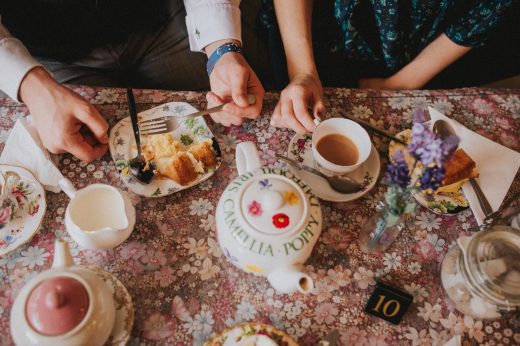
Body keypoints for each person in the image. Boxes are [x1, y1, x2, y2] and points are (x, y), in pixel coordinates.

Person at [0, 0, 265, 162]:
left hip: (162, 18)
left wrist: (221, 50)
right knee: (85, 151)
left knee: (230, 113)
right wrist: (33, 87)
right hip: (49, 56)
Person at [269, 0, 517, 133]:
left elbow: (483, 14)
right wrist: (302, 71)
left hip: (419, 48)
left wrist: (398, 85)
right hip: (313, 30)